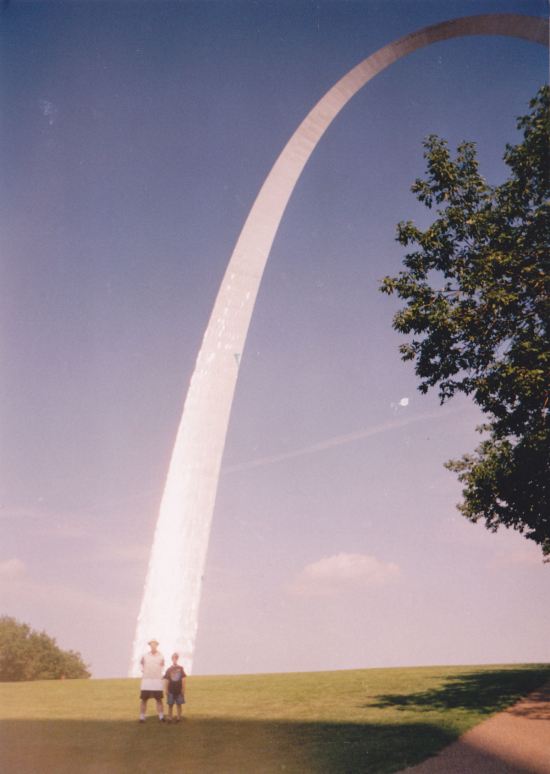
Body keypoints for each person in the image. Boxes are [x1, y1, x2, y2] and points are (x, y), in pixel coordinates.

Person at [139, 639, 165, 722]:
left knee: (159, 699)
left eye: (154, 644)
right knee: (144, 699)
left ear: (157, 645)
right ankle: (142, 717)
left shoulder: (161, 656)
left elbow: (162, 666)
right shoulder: (145, 655)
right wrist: (143, 671)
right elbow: (141, 664)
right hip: (147, 681)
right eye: (151, 644)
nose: (153, 646)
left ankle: (161, 717)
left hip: (157, 681)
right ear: (150, 645)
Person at [163, 652, 186, 722]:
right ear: (172, 659)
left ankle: (178, 717)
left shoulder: (180, 668)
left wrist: (183, 688)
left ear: (177, 659)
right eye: (173, 658)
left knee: (179, 704)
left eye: (176, 658)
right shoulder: (169, 669)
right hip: (171, 690)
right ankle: (170, 717)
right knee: (170, 704)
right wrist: (166, 689)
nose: (175, 659)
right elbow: (166, 680)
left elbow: (183, 679)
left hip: (179, 690)